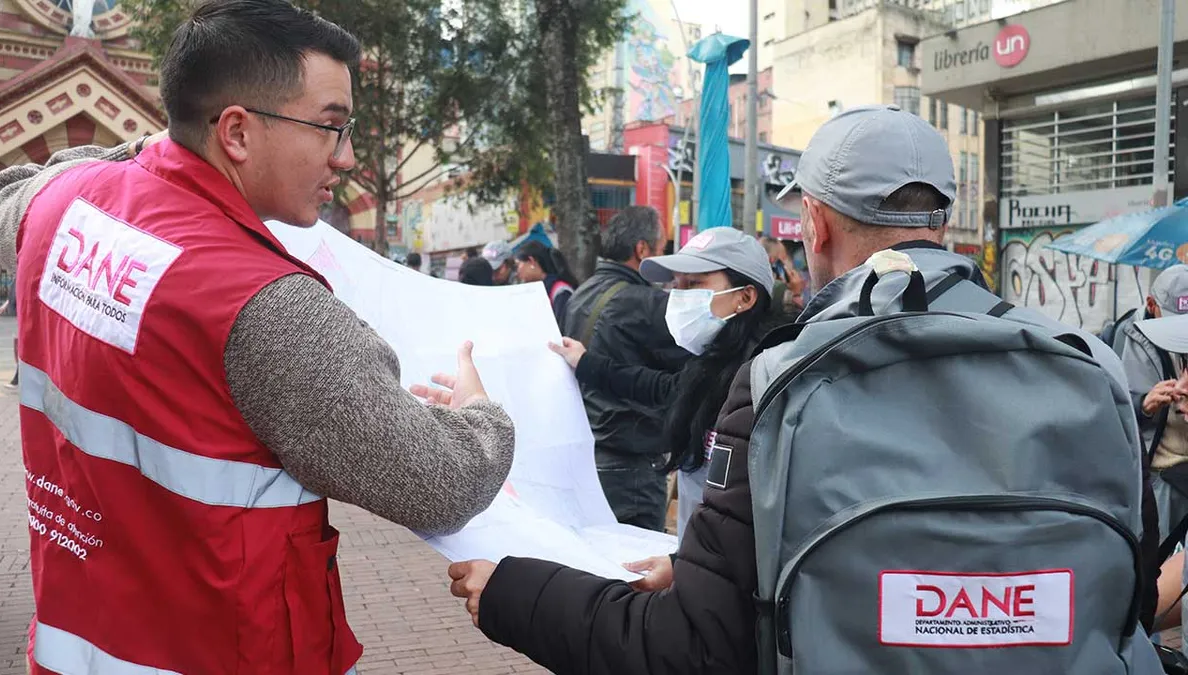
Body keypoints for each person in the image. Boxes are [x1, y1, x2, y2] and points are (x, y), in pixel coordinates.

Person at [446, 104, 1162, 673]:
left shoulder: (778, 386)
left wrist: (517, 592)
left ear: (814, 224)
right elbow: (1131, 595)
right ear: (943, 222)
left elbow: (693, 650)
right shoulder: (1091, 368)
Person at [0, 2, 515, 674]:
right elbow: (443, 481)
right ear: (234, 130)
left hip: (77, 647)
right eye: (330, 127)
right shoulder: (268, 308)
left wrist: (160, 148)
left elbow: (8, 188)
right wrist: (479, 413)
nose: (347, 157)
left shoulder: (57, 210)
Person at [550, 228, 787, 539]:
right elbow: (662, 387)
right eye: (677, 284)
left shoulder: (766, 379)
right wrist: (586, 363)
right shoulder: (709, 365)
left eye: (694, 285)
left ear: (744, 297)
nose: (679, 296)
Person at [560, 206, 689, 532]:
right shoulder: (645, 302)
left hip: (589, 454)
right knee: (637, 574)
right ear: (642, 250)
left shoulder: (580, 294)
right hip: (633, 464)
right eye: (661, 250)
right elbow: (688, 367)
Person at [1120, 265, 1188, 542]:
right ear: (1151, 304)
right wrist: (1143, 405)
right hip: (1161, 476)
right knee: (1159, 559)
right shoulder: (1125, 338)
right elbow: (1115, 407)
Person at [514, 240, 578, 327]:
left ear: (531, 261)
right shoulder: (536, 290)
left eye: (518, 264)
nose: (517, 271)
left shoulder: (560, 291)